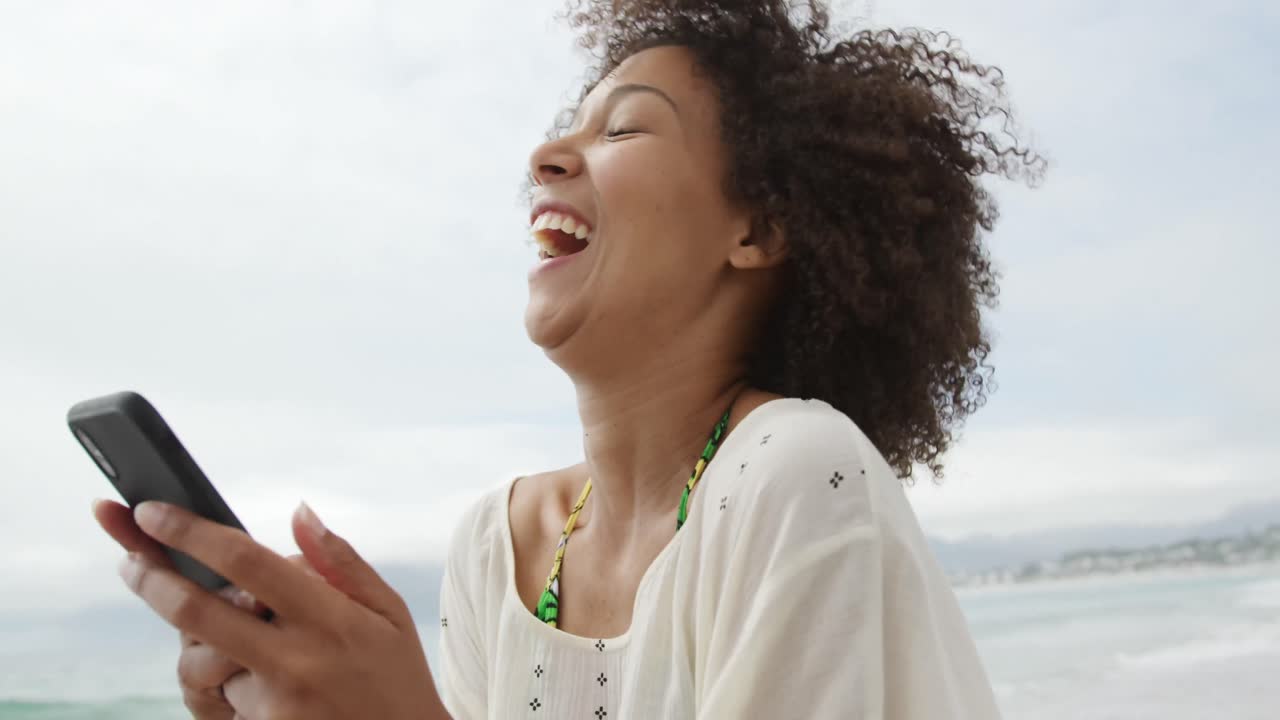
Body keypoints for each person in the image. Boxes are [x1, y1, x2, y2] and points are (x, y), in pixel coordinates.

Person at [92, 0, 1042, 717]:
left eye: (622, 126)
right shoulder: (494, 544)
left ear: (755, 228)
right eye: (568, 125)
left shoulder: (795, 475)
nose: (546, 153)